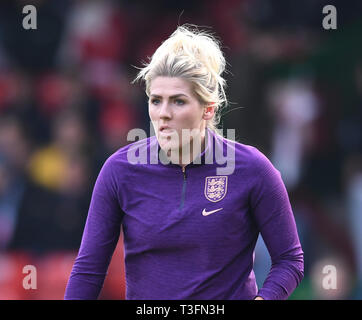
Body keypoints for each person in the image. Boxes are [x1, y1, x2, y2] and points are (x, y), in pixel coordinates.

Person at [64, 25, 304, 300]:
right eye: (156, 101)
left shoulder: (253, 169)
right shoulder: (120, 170)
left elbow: (289, 260)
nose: (163, 114)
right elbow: (89, 269)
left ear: (208, 108)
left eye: (178, 101)